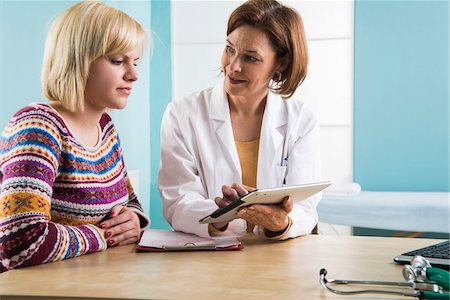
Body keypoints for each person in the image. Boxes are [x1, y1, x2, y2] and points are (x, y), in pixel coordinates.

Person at [0, 1, 150, 272]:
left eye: (135, 61)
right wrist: (103, 234)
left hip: (91, 281)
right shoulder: (39, 128)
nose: (134, 74)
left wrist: (134, 220)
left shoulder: (105, 129)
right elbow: (20, 245)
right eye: (118, 61)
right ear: (77, 60)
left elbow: (129, 202)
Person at [159, 0, 321, 240]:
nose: (233, 66)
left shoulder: (300, 119)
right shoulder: (182, 115)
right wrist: (220, 215)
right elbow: (178, 201)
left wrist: (280, 222)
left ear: (281, 63)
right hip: (211, 256)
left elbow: (305, 206)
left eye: (251, 58)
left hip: (277, 256)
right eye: (230, 49)